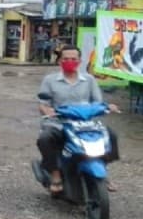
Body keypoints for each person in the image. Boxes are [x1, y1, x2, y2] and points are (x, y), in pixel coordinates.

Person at [37, 45, 120, 194]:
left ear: (80, 61)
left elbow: (97, 102)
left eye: (73, 59)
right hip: (59, 123)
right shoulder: (50, 80)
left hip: (86, 123)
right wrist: (46, 110)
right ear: (59, 61)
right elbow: (43, 104)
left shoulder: (89, 80)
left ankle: (102, 170)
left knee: (110, 135)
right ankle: (56, 175)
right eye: (66, 59)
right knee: (45, 138)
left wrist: (107, 107)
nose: (70, 61)